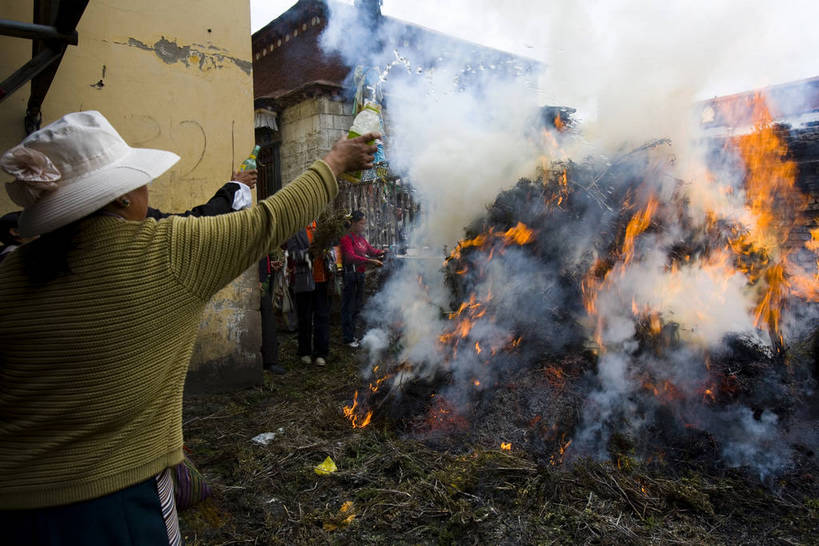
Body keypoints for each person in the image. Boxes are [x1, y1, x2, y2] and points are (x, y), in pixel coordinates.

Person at [0, 110, 377, 544]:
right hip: (112, 501)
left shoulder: (10, 270)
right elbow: (271, 220)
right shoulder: (167, 252)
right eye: (137, 179)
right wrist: (335, 161)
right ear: (121, 196)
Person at [285, 221, 331, 366]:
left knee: (322, 316)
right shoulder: (295, 228)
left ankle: (321, 353)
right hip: (304, 280)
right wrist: (308, 254)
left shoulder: (321, 227)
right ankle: (304, 351)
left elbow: (332, 248)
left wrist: (327, 254)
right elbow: (292, 254)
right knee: (305, 317)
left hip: (322, 278)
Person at [340, 210, 385, 347]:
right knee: (348, 307)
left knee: (357, 307)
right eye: (361, 223)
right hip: (350, 276)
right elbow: (350, 257)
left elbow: (371, 250)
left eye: (364, 224)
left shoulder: (360, 238)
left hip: (359, 276)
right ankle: (348, 338)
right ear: (353, 223)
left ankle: (355, 335)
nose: (363, 226)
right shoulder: (346, 238)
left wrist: (382, 252)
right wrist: (371, 261)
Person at [259, 253, 285, 374]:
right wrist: (259, 278)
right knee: (267, 319)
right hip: (260, 282)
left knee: (267, 318)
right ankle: (269, 361)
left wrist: (270, 266)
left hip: (264, 279)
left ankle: (268, 358)